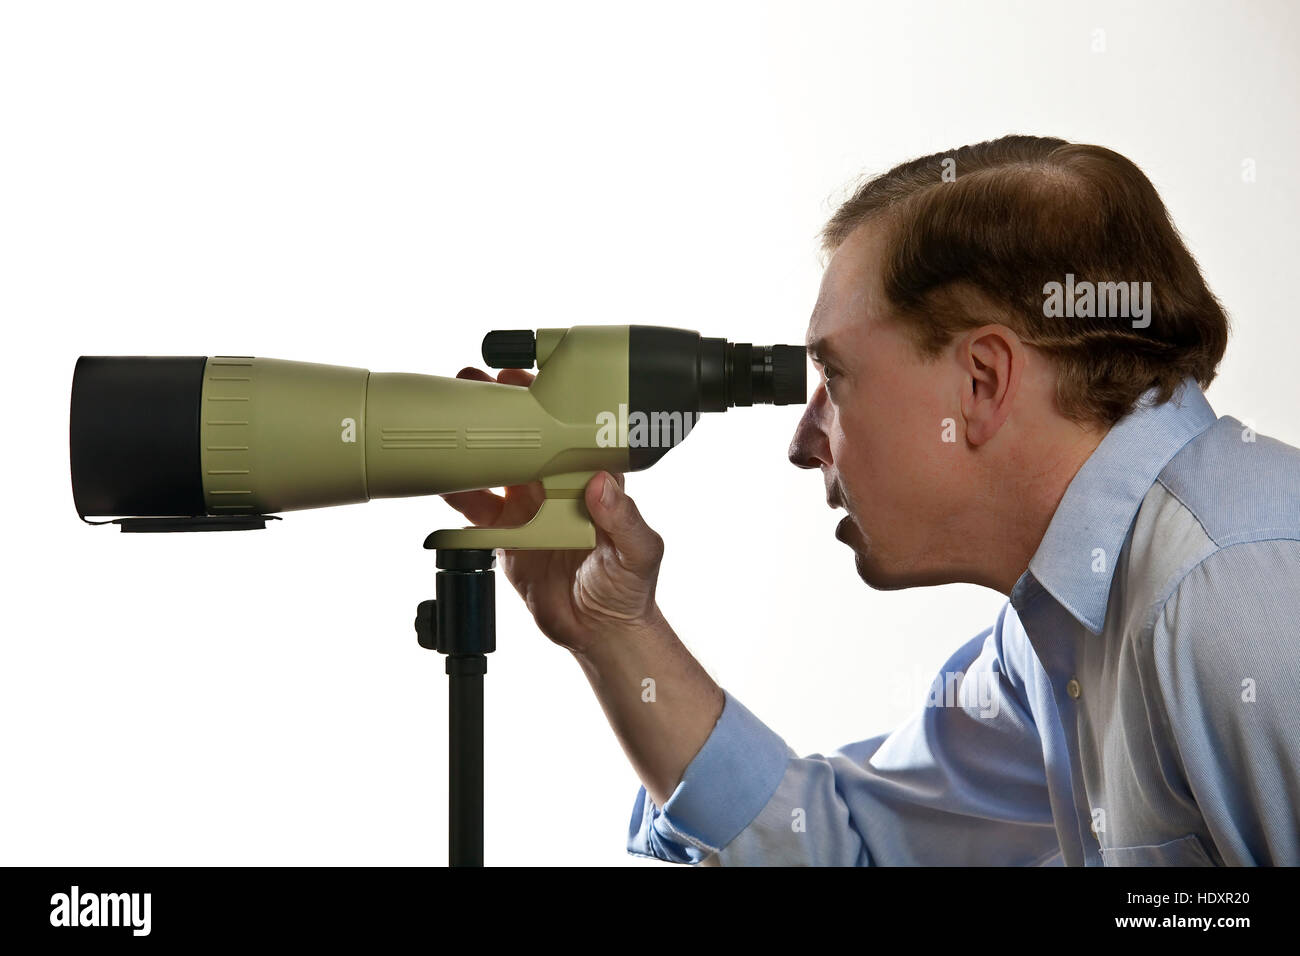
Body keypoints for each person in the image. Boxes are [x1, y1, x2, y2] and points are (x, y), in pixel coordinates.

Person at [443, 135, 1300, 866]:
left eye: (835, 377)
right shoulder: (1055, 639)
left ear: (982, 380)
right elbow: (849, 850)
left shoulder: (1231, 594)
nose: (801, 439)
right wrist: (614, 631)